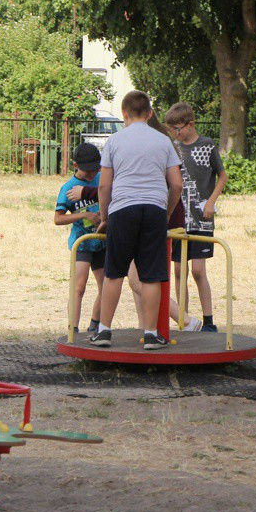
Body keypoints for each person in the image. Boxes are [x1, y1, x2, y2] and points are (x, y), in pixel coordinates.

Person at [66, 115, 202, 332]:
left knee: (139, 280)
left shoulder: (141, 151)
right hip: (159, 217)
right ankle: (146, 327)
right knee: (141, 279)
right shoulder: (161, 148)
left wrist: (89, 196)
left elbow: (120, 187)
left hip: (145, 218)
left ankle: (184, 320)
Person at [90, 91, 183, 350]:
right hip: (154, 209)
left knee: (114, 273)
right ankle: (151, 334)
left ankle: (104, 331)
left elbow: (104, 186)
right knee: (152, 275)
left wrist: (105, 217)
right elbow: (176, 184)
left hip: (122, 209)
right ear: (150, 114)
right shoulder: (163, 141)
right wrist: (165, 213)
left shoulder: (114, 140)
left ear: (124, 114)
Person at [164, 102, 228, 332]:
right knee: (178, 270)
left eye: (177, 129)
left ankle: (208, 320)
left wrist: (211, 202)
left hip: (201, 219)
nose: (175, 133)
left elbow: (222, 176)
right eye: (171, 129)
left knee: (198, 271)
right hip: (179, 219)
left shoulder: (206, 145)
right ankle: (184, 320)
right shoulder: (172, 148)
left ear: (190, 124)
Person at [55, 143, 105, 333]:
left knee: (106, 285)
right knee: (79, 286)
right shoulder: (69, 188)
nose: (92, 174)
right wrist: (85, 215)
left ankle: (95, 324)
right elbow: (58, 218)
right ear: (76, 166)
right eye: (87, 170)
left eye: (95, 169)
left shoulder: (101, 179)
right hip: (82, 243)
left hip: (102, 241)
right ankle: (73, 329)